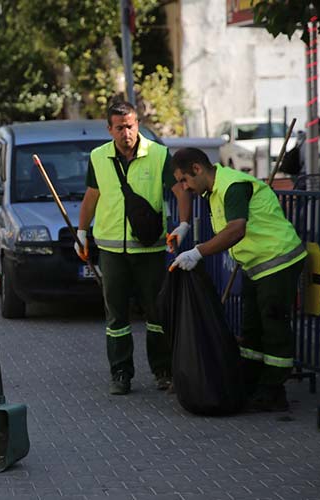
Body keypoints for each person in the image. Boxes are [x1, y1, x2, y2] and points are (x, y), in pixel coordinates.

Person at [169, 147, 306, 412]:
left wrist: (198, 252)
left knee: (273, 326)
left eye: (184, 180)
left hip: (278, 260)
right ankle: (251, 382)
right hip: (257, 265)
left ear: (197, 169)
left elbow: (236, 229)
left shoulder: (232, 186)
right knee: (252, 329)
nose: (184, 187)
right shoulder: (215, 191)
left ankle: (274, 391)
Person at [76, 100, 192, 396]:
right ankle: (121, 374)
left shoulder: (159, 154)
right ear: (109, 129)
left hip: (151, 249)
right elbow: (92, 196)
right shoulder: (98, 157)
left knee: (157, 314)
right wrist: (81, 231)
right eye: (119, 127)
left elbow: (180, 189)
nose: (126, 132)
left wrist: (183, 223)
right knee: (116, 318)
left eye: (130, 125)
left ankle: (163, 371)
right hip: (112, 251)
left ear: (137, 124)